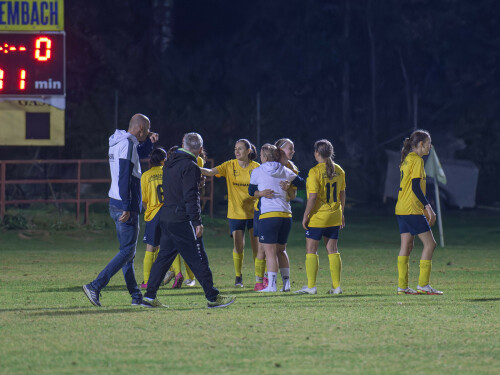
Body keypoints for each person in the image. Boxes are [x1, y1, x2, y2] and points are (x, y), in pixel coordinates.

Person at [142, 132, 235, 308]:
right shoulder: (191, 166)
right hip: (181, 219)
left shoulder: (169, 162)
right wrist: (197, 221)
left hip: (166, 216)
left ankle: (149, 296)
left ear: (183, 145)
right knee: (198, 258)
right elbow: (190, 196)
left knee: (163, 259)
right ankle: (212, 298)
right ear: (200, 149)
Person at [83, 113, 158, 307]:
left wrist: (148, 144)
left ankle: (136, 297)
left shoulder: (118, 141)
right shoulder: (129, 144)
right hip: (126, 204)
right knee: (127, 252)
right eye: (147, 130)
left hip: (114, 201)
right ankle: (95, 286)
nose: (147, 133)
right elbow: (125, 174)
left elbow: (133, 158)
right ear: (141, 128)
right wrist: (127, 204)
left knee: (128, 254)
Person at [200, 139, 260, 287]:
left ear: (248, 151)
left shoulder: (257, 168)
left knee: (256, 247)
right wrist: (192, 166)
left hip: (254, 212)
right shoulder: (229, 165)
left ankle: (259, 277)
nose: (237, 151)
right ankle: (238, 277)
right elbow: (210, 172)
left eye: (240, 149)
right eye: (235, 149)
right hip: (235, 212)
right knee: (238, 246)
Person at [294, 139, 346, 295]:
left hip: (319, 217)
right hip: (335, 215)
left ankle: (311, 287)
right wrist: (342, 213)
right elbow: (342, 194)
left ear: (317, 153)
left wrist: (305, 216)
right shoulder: (339, 170)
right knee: (332, 249)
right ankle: (336, 287)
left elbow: (312, 197)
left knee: (311, 249)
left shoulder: (314, 171)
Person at [249, 144, 301, 292]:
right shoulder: (285, 170)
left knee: (270, 252)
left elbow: (251, 191)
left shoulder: (257, 171)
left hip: (269, 216)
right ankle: (286, 284)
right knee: (281, 250)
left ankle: (271, 285)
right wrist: (288, 185)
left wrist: (261, 193)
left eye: (261, 155)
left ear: (264, 157)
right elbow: (302, 183)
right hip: (286, 216)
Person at [396, 129, 442, 295]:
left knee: (406, 246)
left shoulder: (407, 158)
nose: (430, 146)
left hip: (401, 208)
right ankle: (423, 285)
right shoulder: (417, 160)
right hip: (411, 209)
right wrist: (428, 207)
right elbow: (415, 186)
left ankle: (402, 287)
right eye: (429, 143)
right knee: (430, 244)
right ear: (421, 144)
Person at [140, 148, 167, 289]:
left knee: (150, 247)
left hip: (153, 213)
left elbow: (144, 200)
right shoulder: (168, 172)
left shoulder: (146, 175)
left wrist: (149, 213)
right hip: (168, 213)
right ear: (164, 160)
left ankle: (146, 281)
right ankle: (161, 278)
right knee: (165, 247)